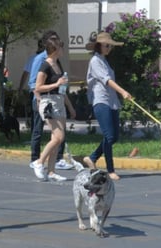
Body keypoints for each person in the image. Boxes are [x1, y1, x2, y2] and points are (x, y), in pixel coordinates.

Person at [83, 32, 133, 181]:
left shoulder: (104, 60)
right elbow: (107, 81)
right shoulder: (95, 61)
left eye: (110, 45)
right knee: (109, 135)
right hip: (101, 101)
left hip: (111, 102)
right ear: (98, 46)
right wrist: (123, 92)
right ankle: (110, 170)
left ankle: (92, 158)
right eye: (106, 45)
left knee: (114, 136)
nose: (109, 48)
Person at [31, 37, 76, 181]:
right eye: (61, 47)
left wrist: (69, 106)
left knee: (55, 138)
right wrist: (56, 84)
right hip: (48, 101)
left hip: (59, 100)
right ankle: (39, 162)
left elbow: (62, 89)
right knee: (59, 137)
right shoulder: (45, 65)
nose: (63, 49)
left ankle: (51, 171)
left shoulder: (58, 64)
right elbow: (37, 87)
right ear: (54, 50)